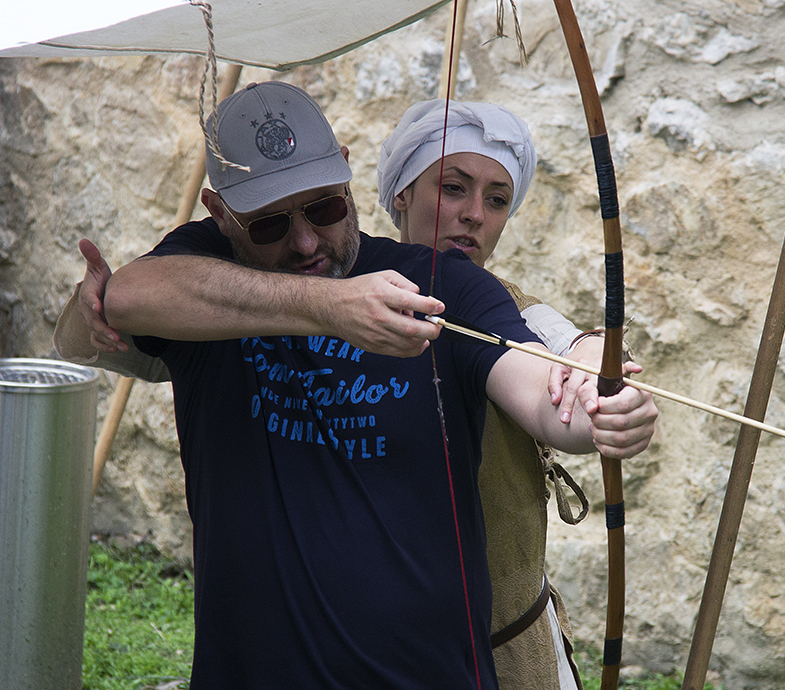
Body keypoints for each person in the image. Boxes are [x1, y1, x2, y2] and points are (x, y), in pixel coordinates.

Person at [57, 80, 657, 690]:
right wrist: (330, 306)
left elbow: (543, 390)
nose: (305, 241)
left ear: (346, 176)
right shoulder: (203, 271)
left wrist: (599, 412)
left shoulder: (443, 283)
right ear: (220, 214)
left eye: (324, 208)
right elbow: (124, 298)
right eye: (269, 225)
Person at [378, 99, 610, 690]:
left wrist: (593, 357)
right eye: (453, 188)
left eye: (498, 199)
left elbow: (564, 345)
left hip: (508, 653)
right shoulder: (341, 296)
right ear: (402, 192)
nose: (474, 215)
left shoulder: (507, 309)